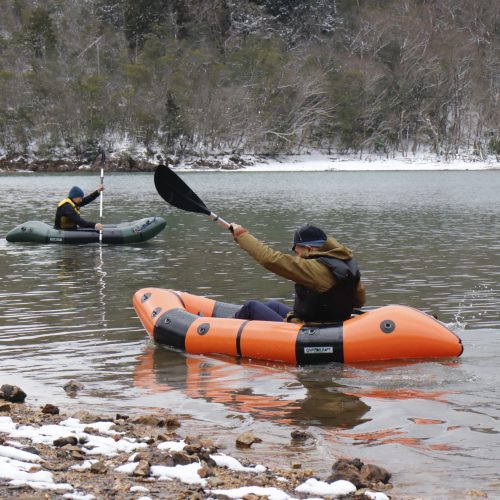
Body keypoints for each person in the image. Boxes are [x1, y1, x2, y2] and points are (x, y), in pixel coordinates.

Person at [229, 223, 366, 323]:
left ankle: (217, 329)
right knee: (272, 304)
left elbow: (269, 259)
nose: (296, 255)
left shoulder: (313, 268)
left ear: (308, 249)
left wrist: (241, 235)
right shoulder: (347, 264)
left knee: (250, 307)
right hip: (332, 322)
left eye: (296, 251)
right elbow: (360, 301)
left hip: (309, 329)